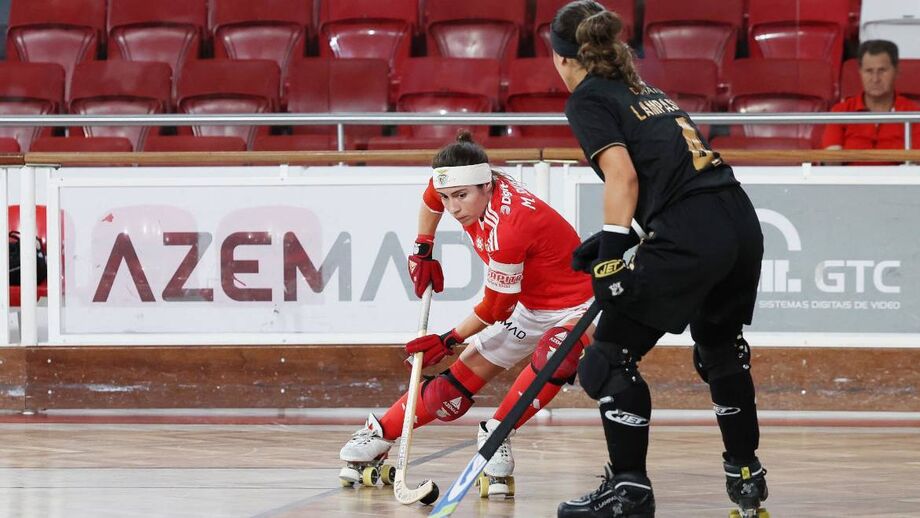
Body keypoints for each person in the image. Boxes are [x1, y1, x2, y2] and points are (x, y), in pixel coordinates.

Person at [549, 2, 768, 517]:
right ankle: (746, 478)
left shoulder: (587, 98)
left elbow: (624, 178)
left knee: (607, 361)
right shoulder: (646, 92)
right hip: (737, 220)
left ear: (562, 58)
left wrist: (609, 260)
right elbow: (667, 178)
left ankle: (629, 492)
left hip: (692, 230)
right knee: (719, 348)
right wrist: (613, 243)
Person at [338, 131, 595, 497]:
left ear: (487, 186)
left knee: (558, 353)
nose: (453, 208)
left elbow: (496, 307)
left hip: (579, 307)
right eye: (448, 198)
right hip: (530, 305)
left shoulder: (511, 226)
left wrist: (449, 339)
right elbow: (431, 198)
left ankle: (496, 434)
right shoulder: (457, 184)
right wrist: (423, 247)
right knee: (449, 392)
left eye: (461, 197)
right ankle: (379, 433)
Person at [822, 40, 920, 155]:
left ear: (897, 71)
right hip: (851, 173)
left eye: (882, 71)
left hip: (898, 173)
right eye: (869, 71)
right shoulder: (840, 112)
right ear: (860, 72)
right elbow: (829, 161)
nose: (875, 79)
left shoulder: (914, 113)